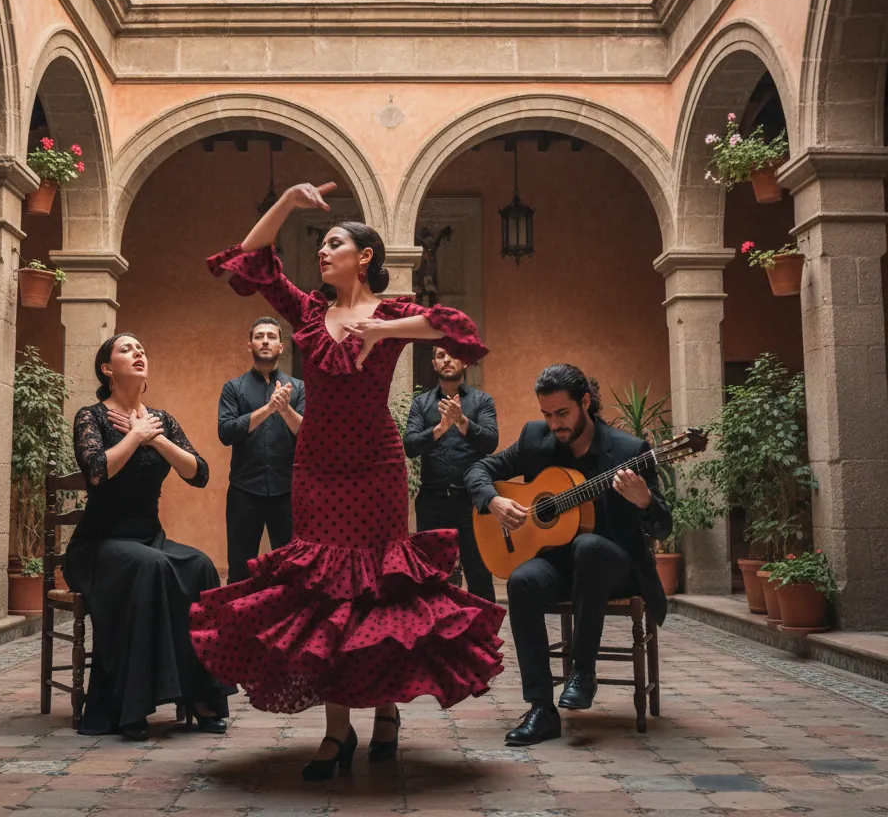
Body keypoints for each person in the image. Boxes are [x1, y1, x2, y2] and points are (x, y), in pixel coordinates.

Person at [189, 181, 505, 781]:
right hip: (316, 469)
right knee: (326, 594)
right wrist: (286, 201)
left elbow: (461, 329)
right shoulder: (309, 313)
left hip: (377, 468)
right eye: (322, 244)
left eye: (334, 244)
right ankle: (338, 730)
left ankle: (386, 711)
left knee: (379, 589)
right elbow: (251, 259)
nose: (323, 252)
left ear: (365, 257)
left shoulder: (392, 312)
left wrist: (385, 332)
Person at [464, 363, 671, 745]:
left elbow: (663, 526)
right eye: (547, 414)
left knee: (587, 546)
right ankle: (541, 709)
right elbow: (479, 469)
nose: (554, 424)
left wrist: (645, 501)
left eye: (562, 413)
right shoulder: (535, 438)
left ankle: (583, 672)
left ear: (585, 402)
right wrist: (493, 500)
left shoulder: (629, 451)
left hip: (616, 566)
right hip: (560, 564)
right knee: (522, 580)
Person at [66, 333, 235, 740]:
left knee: (201, 566)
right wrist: (134, 436)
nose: (138, 353)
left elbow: (199, 473)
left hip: (148, 538)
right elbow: (96, 472)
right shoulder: (91, 417)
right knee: (151, 567)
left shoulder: (161, 421)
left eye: (141, 348)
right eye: (126, 349)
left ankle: (201, 695)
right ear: (107, 369)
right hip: (100, 544)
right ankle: (132, 704)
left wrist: (154, 437)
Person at [404, 346, 499, 602]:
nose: (447, 359)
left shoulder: (482, 401)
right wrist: (439, 429)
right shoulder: (421, 403)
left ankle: (483, 626)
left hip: (473, 502)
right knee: (432, 579)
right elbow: (410, 446)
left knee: (479, 576)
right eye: (440, 355)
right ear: (434, 364)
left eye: (453, 354)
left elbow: (491, 442)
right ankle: (436, 627)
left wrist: (462, 421)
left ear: (465, 362)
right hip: (432, 502)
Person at [218, 317, 304, 584]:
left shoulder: (299, 388)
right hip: (244, 492)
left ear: (281, 346)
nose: (265, 341)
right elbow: (226, 433)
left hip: (288, 492)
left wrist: (284, 409)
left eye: (271, 336)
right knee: (239, 572)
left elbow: (308, 436)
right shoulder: (233, 388)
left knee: (290, 571)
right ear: (250, 345)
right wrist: (268, 409)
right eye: (259, 336)